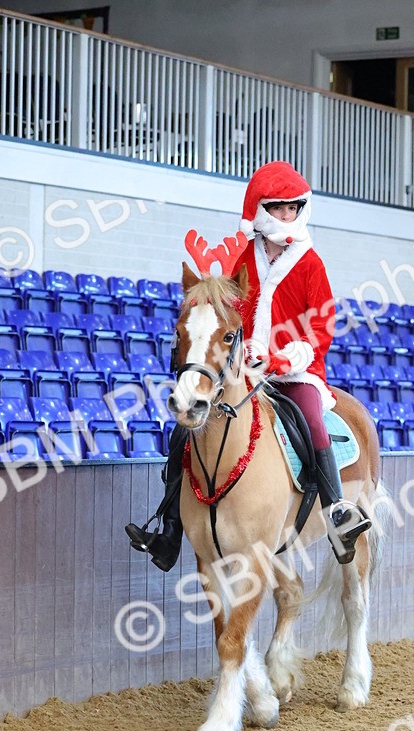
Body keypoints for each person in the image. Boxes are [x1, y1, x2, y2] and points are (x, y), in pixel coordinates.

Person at [128, 160, 371, 570]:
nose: (288, 215)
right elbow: (227, 311)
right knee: (181, 434)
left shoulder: (311, 264)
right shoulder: (245, 256)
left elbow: (322, 326)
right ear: (262, 211)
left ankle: (336, 514)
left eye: (294, 208)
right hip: (243, 371)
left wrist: (280, 357)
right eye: (279, 208)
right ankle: (169, 530)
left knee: (312, 420)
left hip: (295, 371)